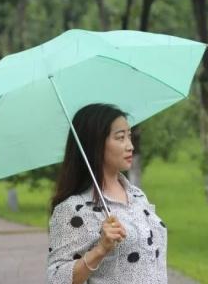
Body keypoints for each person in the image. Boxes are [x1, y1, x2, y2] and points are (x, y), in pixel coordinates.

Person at [47, 103, 168, 284]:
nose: (130, 146)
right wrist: (100, 250)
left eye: (129, 136)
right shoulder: (74, 209)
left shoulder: (137, 196)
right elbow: (56, 278)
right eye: (120, 138)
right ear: (95, 143)